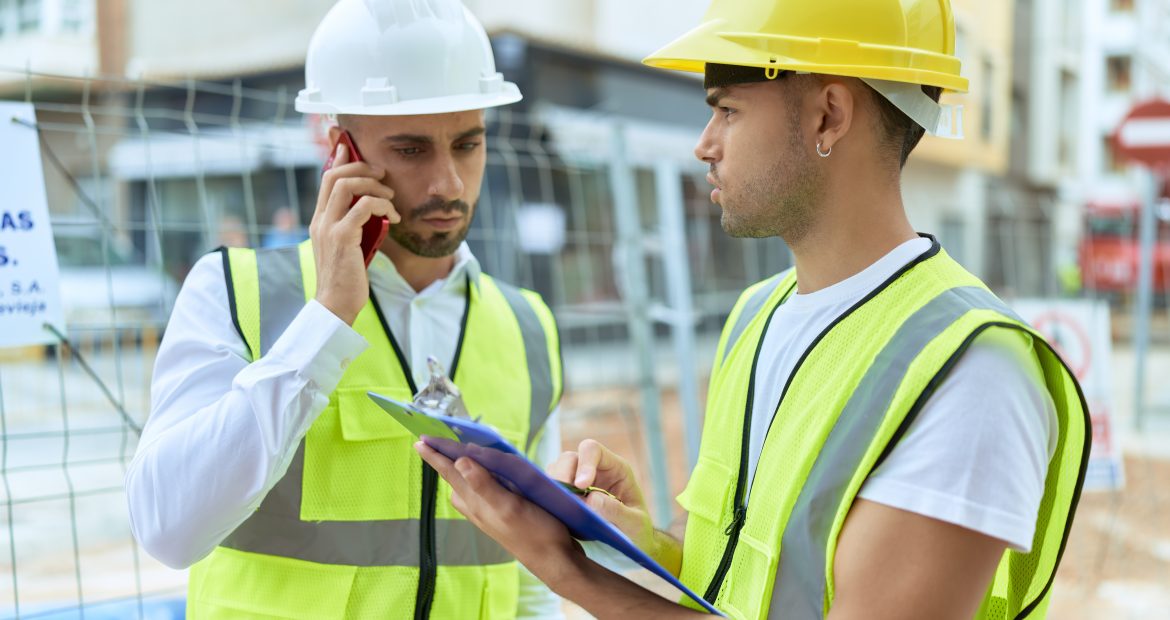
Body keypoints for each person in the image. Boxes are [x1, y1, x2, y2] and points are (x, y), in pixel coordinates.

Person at [416, 0, 1091, 618]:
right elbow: (737, 575)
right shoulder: (758, 314)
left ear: (829, 115)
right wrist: (634, 537)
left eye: (729, 111)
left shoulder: (972, 372)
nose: (704, 143)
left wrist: (572, 574)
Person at [125, 0, 566, 617]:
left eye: (467, 144)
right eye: (411, 150)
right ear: (342, 153)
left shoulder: (526, 326)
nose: (449, 184)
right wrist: (326, 320)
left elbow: (529, 579)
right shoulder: (236, 292)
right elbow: (167, 530)